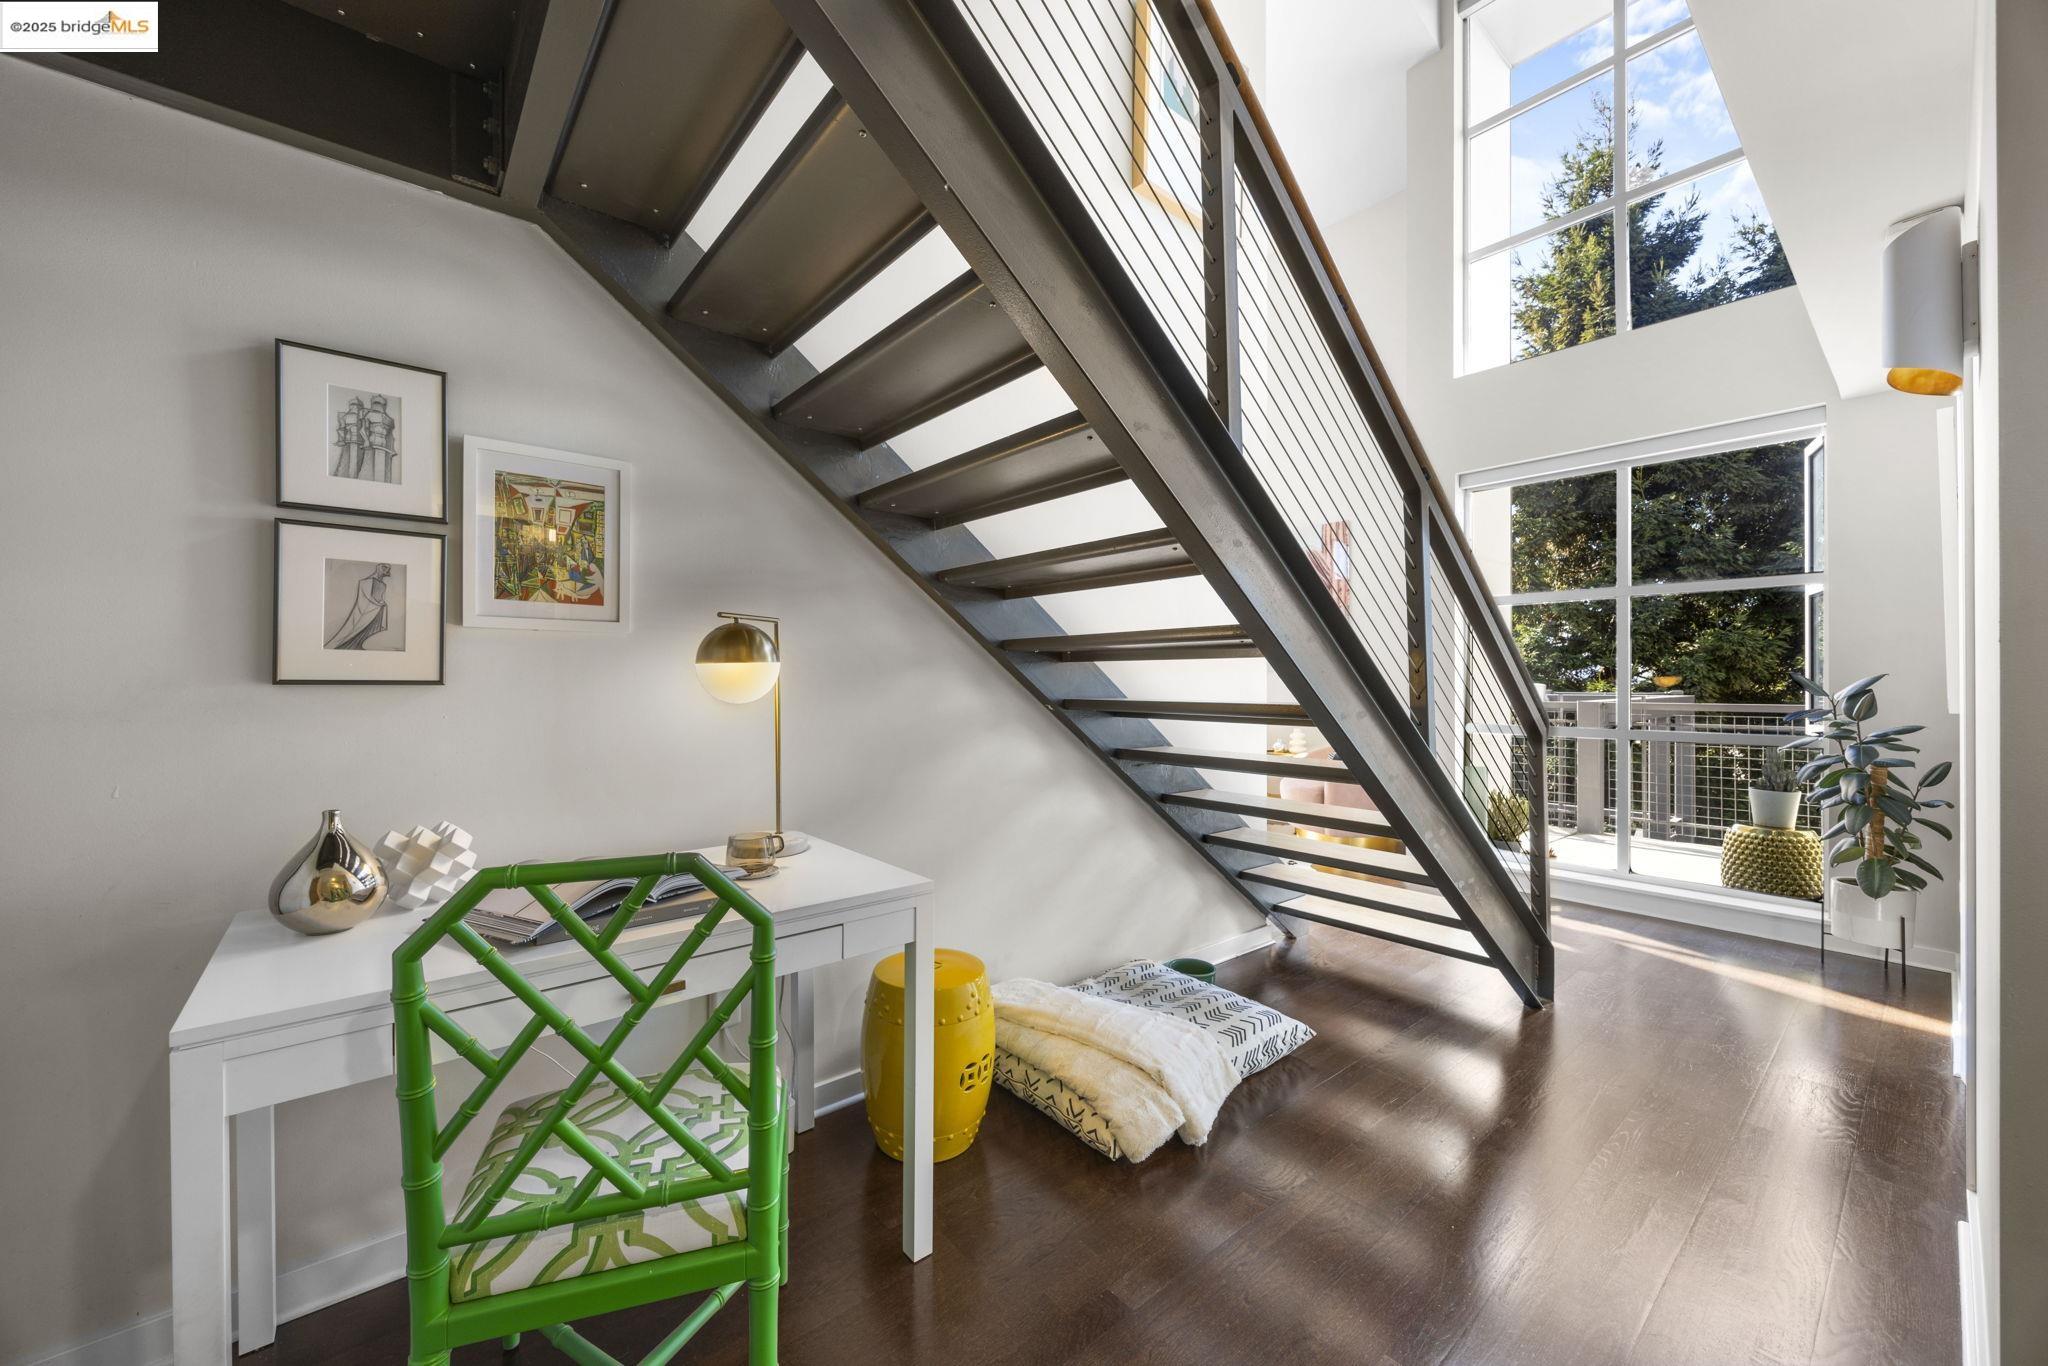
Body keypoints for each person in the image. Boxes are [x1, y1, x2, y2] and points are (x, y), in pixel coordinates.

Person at [325, 563, 394, 650]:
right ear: (379, 569)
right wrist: (380, 603)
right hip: (364, 613)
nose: (386, 571)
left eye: (387, 570)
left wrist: (382, 603)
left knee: (370, 633)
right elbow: (366, 598)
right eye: (384, 569)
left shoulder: (384, 585)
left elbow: (380, 598)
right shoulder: (366, 582)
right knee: (352, 632)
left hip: (378, 612)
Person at [362, 394, 398, 483]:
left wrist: (392, 449)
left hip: (384, 447)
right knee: (368, 469)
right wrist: (366, 441)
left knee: (382, 473)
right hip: (371, 444)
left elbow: (390, 437)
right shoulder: (369, 415)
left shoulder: (389, 419)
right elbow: (363, 430)